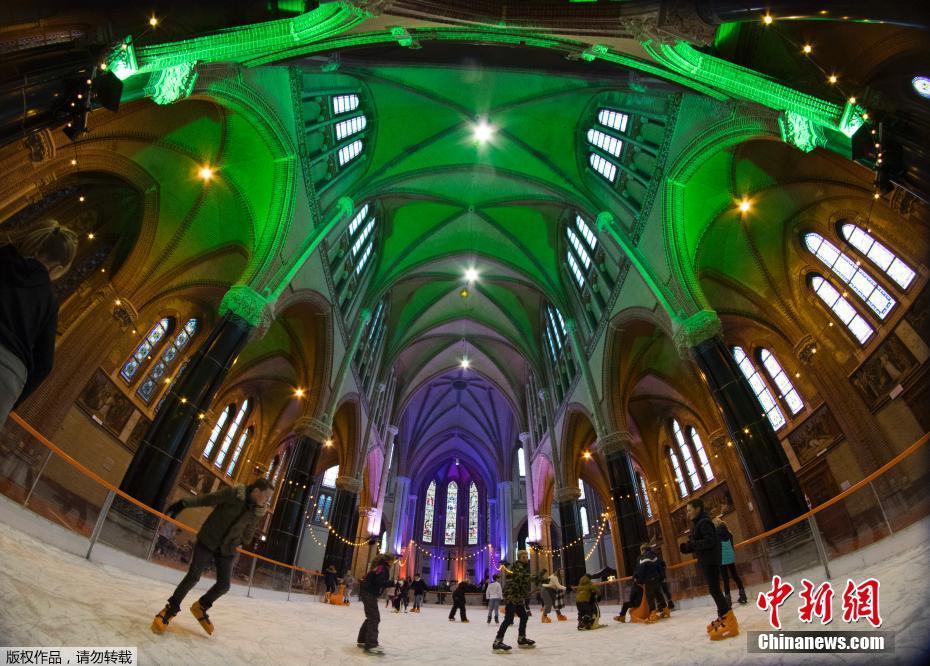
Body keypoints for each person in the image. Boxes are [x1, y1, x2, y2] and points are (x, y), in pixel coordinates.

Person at [151, 478, 274, 635]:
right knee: (193, 576)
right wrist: (183, 503)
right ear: (256, 491)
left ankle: (201, 606)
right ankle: (170, 609)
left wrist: (242, 540)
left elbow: (249, 531)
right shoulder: (234, 493)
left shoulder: (257, 512)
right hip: (208, 539)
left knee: (224, 585)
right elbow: (207, 499)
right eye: (266, 496)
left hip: (227, 549)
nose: (267, 500)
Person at [0, 219, 78, 427]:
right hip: (9, 376)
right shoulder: (49, 301)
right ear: (58, 268)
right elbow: (44, 363)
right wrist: (12, 402)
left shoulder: (3, 258)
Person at [680, 498, 739, 640]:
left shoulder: (704, 522)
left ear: (697, 508)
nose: (688, 513)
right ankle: (723, 616)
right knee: (714, 590)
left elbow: (709, 541)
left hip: (710, 561)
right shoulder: (699, 523)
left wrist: (691, 545)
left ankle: (730, 621)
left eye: (689, 510)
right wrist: (689, 547)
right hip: (708, 560)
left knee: (715, 590)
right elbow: (702, 542)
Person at [492, 550, 535, 652]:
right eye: (524, 557)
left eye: (527, 556)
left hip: (517, 597)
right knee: (508, 619)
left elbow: (522, 583)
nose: (526, 559)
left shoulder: (523, 567)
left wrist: (525, 593)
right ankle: (497, 641)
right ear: (519, 558)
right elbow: (521, 578)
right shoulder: (517, 566)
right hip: (512, 596)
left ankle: (521, 638)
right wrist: (533, 578)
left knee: (524, 616)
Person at [357, 551, 396, 655]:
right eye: (393, 561)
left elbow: (377, 580)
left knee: (371, 617)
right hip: (369, 593)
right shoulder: (383, 568)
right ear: (390, 561)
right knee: (374, 618)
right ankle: (371, 644)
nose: (393, 563)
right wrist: (394, 582)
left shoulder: (380, 567)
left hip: (368, 592)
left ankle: (363, 640)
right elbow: (379, 581)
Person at [715, 516, 747, 605]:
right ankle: (743, 596)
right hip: (730, 556)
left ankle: (728, 601)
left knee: (725, 579)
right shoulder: (729, 532)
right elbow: (731, 545)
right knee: (735, 575)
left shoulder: (715, 534)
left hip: (722, 559)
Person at [634, 543, 669, 623]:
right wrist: (662, 577)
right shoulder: (655, 556)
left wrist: (639, 580)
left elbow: (640, 570)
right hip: (657, 579)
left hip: (648, 580)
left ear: (643, 550)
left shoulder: (642, 558)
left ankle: (653, 614)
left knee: (650, 596)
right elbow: (661, 566)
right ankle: (666, 610)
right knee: (658, 594)